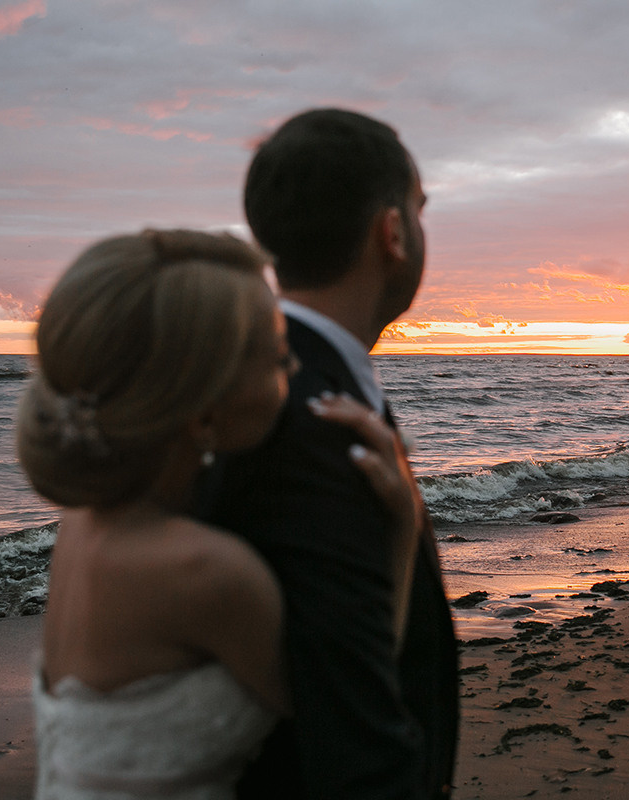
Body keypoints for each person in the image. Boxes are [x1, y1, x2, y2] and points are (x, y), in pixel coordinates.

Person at [17, 229, 420, 799]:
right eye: (280, 358)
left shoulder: (80, 522)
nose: (298, 365)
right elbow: (347, 699)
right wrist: (401, 529)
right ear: (204, 418)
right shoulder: (204, 570)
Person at [195, 109, 459, 799]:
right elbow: (352, 746)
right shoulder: (315, 420)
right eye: (419, 210)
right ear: (392, 232)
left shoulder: (273, 382)